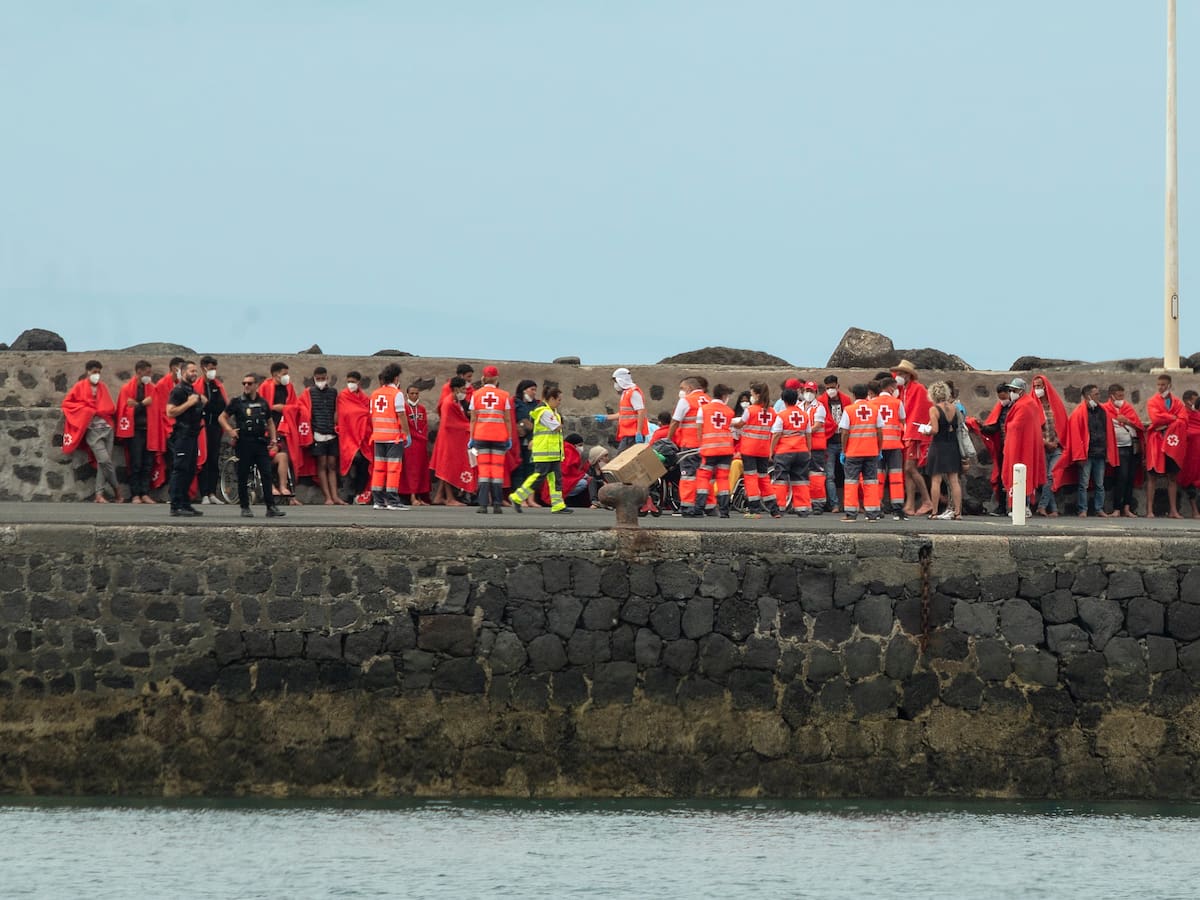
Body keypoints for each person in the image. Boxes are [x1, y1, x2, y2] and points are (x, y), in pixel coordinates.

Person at [218, 374, 285, 518]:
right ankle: (245, 507)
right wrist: (230, 430)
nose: (246, 386)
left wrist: (273, 438)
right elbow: (222, 417)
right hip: (244, 443)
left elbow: (270, 421)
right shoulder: (237, 402)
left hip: (260, 443)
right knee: (243, 475)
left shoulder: (263, 403)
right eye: (244, 383)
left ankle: (271, 507)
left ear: (256, 385)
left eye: (249, 383)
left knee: (266, 474)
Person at [61, 359, 123, 503]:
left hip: (107, 428)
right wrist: (87, 411)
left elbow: (110, 408)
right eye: (94, 372)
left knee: (103, 464)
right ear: (88, 372)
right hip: (93, 431)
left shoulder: (103, 387)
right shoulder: (79, 387)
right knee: (105, 460)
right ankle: (117, 489)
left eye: (99, 372)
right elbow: (67, 404)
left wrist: (98, 411)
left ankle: (99, 494)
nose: (97, 375)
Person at [1053, 384, 1117, 518]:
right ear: (1088, 396)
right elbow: (1075, 436)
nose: (1099, 396)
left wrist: (1108, 452)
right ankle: (1083, 509)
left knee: (1100, 484)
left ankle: (1099, 508)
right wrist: (1079, 455)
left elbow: (1107, 432)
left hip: (1100, 453)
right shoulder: (1078, 413)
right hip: (1087, 455)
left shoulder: (1103, 411)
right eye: (1096, 394)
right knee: (1084, 483)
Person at [509, 387, 573, 514]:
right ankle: (517, 497)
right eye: (558, 400)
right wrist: (560, 423)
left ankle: (558, 504)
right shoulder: (544, 412)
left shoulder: (550, 411)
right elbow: (556, 427)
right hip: (545, 451)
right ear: (551, 398)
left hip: (552, 452)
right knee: (539, 477)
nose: (560, 402)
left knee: (555, 478)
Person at [115, 360, 161, 504]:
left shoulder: (152, 389)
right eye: (147, 372)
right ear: (139, 372)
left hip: (150, 431)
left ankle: (145, 493)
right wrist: (142, 404)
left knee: (148, 463)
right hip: (135, 432)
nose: (150, 375)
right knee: (136, 463)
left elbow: (155, 409)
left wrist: (136, 405)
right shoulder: (127, 388)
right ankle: (135, 494)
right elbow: (126, 411)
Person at [469, 365, 513, 514]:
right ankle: (497, 505)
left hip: (481, 437)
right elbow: (507, 419)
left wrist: (471, 438)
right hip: (499, 438)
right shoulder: (504, 395)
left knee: (483, 471)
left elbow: (473, 419)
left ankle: (482, 505)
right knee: (497, 472)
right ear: (496, 378)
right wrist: (509, 437)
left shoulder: (476, 395)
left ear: (483, 377)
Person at [891, 360, 933, 517]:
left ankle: (926, 500)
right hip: (906, 433)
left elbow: (922, 411)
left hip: (914, 434)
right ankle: (909, 504)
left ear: (909, 375)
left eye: (901, 373)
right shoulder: (903, 390)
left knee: (910, 468)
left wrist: (915, 431)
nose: (898, 376)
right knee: (907, 470)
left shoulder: (919, 389)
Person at [368, 363, 411, 510]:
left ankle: (378, 501)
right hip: (393, 437)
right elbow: (401, 414)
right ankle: (393, 501)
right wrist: (407, 433)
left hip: (378, 437)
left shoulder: (374, 394)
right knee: (393, 469)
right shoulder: (396, 394)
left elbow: (372, 415)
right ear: (396, 378)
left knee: (378, 468)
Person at [838, 384, 884, 522]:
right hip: (871, 452)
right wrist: (879, 449)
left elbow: (845, 432)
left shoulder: (849, 410)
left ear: (854, 395)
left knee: (851, 483)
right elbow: (880, 431)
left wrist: (844, 450)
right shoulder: (875, 409)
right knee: (871, 482)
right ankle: (872, 514)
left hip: (853, 452)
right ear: (867, 395)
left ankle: (851, 514)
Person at [166, 361, 206, 516]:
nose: (194, 373)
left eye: (196, 371)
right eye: (191, 371)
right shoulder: (178, 391)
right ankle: (175, 505)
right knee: (180, 469)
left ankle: (185, 503)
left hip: (193, 435)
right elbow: (170, 412)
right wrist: (189, 403)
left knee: (190, 470)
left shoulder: (192, 390)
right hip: (182, 435)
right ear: (183, 373)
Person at [1001, 377, 1046, 514]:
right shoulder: (1026, 403)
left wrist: (1008, 425)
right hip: (1023, 445)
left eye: (1013, 390)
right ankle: (1022, 507)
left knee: (1021, 476)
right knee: (1023, 475)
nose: (1011, 392)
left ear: (1020, 391)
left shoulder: (1025, 404)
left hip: (1022, 447)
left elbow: (1017, 425)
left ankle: (1023, 507)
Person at [1145, 373, 1188, 518]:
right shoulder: (1152, 401)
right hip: (1156, 442)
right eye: (1158, 384)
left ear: (1169, 385)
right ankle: (1149, 510)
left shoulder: (1177, 402)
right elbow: (1155, 418)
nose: (1160, 387)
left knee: (1172, 477)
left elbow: (1183, 419)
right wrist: (1172, 418)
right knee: (1152, 476)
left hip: (1172, 443)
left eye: (1163, 384)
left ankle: (1173, 510)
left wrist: (1166, 423)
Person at [666, 376, 711, 516]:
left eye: (682, 388)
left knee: (688, 476)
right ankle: (708, 506)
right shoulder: (709, 400)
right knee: (704, 476)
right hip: (708, 445)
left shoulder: (686, 401)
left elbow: (675, 422)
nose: (681, 391)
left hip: (690, 445)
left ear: (689, 388)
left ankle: (687, 506)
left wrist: (667, 440)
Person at [690, 384, 736, 518]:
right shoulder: (729, 411)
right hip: (726, 450)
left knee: (704, 478)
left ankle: (699, 509)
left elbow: (699, 429)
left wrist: (700, 444)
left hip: (709, 449)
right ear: (724, 396)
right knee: (723, 479)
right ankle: (724, 511)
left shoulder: (703, 409)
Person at [738, 382, 781, 519]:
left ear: (756, 394)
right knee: (764, 479)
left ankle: (754, 509)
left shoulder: (750, 410)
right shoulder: (772, 411)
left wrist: (730, 424)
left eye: (751, 394)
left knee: (751, 478)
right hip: (763, 449)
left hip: (749, 449)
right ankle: (774, 509)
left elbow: (740, 424)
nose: (751, 397)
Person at [302, 366, 343, 505]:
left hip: (332, 433)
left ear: (327, 377)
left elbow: (337, 410)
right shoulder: (309, 393)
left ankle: (335, 496)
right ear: (314, 378)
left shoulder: (333, 392)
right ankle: (328, 497)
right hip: (318, 434)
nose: (321, 381)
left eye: (323, 378)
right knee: (322, 464)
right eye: (318, 379)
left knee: (332, 465)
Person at [769, 387, 813, 517]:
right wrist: (808, 450)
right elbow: (808, 434)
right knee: (801, 480)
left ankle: (780, 507)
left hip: (784, 452)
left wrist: (771, 451)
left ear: (784, 400)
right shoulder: (804, 415)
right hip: (802, 451)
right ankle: (803, 508)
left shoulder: (781, 415)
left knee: (781, 480)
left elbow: (776, 434)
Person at [430, 375, 474, 506]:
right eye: (463, 389)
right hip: (448, 440)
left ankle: (439, 496)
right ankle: (449, 498)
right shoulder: (449, 403)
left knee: (446, 468)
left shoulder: (456, 402)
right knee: (447, 468)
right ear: (455, 389)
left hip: (452, 439)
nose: (465, 393)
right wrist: (469, 427)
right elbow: (450, 423)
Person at [1102, 383, 1143, 518]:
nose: (1121, 398)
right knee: (1121, 477)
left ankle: (1127, 507)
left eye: (1123, 395)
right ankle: (1116, 508)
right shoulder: (1105, 409)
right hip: (1118, 447)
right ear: (1112, 396)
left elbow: (1138, 425)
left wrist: (1126, 421)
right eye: (1119, 396)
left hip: (1131, 446)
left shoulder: (1127, 408)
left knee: (1130, 477)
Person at [924, 381, 963, 520]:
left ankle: (934, 511)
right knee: (954, 480)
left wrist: (925, 431)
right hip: (952, 445)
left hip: (939, 446)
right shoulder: (954, 408)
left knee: (936, 480)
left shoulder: (934, 409)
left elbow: (935, 430)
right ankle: (958, 512)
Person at [1030, 375, 1067, 517]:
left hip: (1056, 446)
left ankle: (1042, 506)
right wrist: (1045, 443)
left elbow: (1062, 424)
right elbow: (1032, 428)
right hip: (1041, 447)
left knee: (1051, 475)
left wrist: (1058, 441)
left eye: (1040, 386)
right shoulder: (1032, 405)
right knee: (1047, 477)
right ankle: (1053, 509)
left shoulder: (1055, 405)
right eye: (1035, 386)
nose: (1037, 389)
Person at [261, 362, 299, 502]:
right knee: (263, 457)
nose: (286, 377)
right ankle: (270, 487)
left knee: (287, 458)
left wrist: (284, 408)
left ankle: (286, 491)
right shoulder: (265, 386)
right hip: (267, 431)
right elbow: (262, 408)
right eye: (284, 374)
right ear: (275, 374)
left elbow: (296, 407)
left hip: (284, 430)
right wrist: (272, 408)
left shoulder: (289, 387)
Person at [196, 355, 228, 505]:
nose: (213, 372)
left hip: (215, 427)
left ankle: (212, 492)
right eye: (211, 369)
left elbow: (220, 407)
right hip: (201, 428)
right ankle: (203, 494)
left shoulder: (217, 386)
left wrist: (207, 403)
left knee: (214, 460)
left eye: (215, 369)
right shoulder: (197, 386)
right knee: (203, 460)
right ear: (203, 368)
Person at [337, 371, 373, 504]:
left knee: (364, 465)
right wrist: (361, 414)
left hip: (363, 439)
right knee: (349, 467)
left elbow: (368, 414)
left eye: (353, 382)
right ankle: (348, 494)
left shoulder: (365, 399)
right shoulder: (343, 396)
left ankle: (360, 492)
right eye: (349, 381)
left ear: (359, 382)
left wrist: (361, 416)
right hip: (348, 438)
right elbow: (345, 413)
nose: (351, 384)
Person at [874, 376, 907, 519]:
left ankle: (876, 506)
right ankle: (897, 509)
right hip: (894, 446)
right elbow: (903, 421)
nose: (896, 390)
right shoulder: (897, 403)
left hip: (877, 446)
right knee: (896, 478)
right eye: (894, 387)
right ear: (890, 388)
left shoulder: (872, 402)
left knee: (876, 478)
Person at [818, 375, 851, 512]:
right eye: (828, 388)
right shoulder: (821, 402)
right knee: (830, 475)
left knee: (849, 474)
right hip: (829, 442)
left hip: (844, 442)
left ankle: (849, 503)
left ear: (838, 386)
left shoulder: (846, 400)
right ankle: (834, 504)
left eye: (833, 387)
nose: (830, 390)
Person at [597, 367, 649, 452]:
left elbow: (641, 412)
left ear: (621, 380)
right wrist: (606, 417)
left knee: (621, 459)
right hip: (628, 434)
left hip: (633, 435)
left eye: (616, 381)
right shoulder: (626, 393)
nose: (615, 384)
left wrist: (639, 432)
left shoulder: (634, 392)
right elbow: (623, 414)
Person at [797, 381, 828, 514]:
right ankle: (804, 502)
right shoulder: (798, 406)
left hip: (816, 447)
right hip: (801, 446)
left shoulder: (819, 407)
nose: (808, 393)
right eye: (806, 390)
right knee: (801, 475)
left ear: (816, 392)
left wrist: (803, 432)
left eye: (811, 391)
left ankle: (818, 504)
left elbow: (817, 425)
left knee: (816, 476)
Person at [399, 384, 432, 504]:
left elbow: (424, 425)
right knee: (411, 470)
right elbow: (405, 426)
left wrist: (422, 436)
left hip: (421, 444)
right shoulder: (404, 408)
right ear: (407, 394)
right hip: (410, 444)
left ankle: (419, 496)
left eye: (416, 393)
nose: (414, 396)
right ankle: (412, 496)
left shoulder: (422, 409)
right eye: (412, 393)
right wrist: (414, 435)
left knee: (421, 470)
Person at [512, 379, 539, 490]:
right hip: (517, 441)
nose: (534, 392)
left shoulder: (537, 404)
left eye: (535, 390)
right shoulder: (514, 402)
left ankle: (529, 497)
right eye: (532, 389)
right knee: (519, 468)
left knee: (531, 469)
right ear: (524, 390)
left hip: (531, 441)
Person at [1179, 391, 1200, 517]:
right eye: (1194, 400)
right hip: (1190, 455)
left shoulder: (1195, 416)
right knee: (1191, 482)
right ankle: (1194, 511)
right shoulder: (1184, 415)